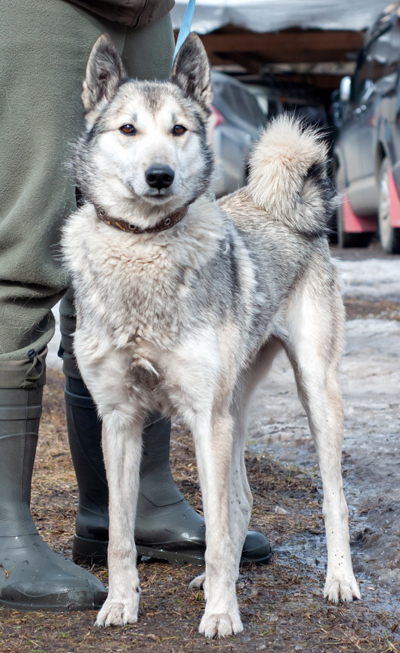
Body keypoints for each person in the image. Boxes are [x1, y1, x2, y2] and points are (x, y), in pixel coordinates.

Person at [0, 0, 271, 612]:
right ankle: (4, 528)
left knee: (124, 258)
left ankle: (134, 504)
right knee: (24, 251)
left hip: (146, 10)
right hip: (45, 10)